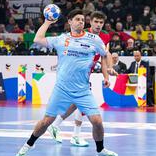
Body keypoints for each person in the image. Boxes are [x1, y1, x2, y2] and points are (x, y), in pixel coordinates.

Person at [15, 9, 118, 156]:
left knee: (97, 121)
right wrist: (47, 22)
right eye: (77, 19)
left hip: (82, 90)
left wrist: (107, 73)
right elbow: (37, 39)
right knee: (46, 122)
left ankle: (100, 150)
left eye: (82, 20)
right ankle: (27, 145)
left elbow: (105, 54)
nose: (81, 22)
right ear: (69, 22)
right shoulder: (61, 39)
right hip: (62, 89)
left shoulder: (93, 39)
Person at [46, 11, 116, 147]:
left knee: (78, 103)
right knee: (79, 103)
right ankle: (72, 133)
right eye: (96, 22)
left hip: (88, 70)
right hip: (75, 73)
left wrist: (107, 74)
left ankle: (65, 129)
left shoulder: (105, 37)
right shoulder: (80, 33)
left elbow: (104, 57)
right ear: (90, 22)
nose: (98, 25)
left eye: (101, 23)